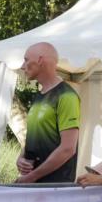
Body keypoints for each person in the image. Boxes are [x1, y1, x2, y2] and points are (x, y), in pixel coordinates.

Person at [16, 42, 80, 184]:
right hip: (37, 186)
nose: (22, 66)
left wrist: (32, 177)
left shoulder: (67, 96)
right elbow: (34, 137)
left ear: (40, 60)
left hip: (54, 188)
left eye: (26, 60)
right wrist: (21, 157)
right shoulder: (39, 95)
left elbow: (68, 149)